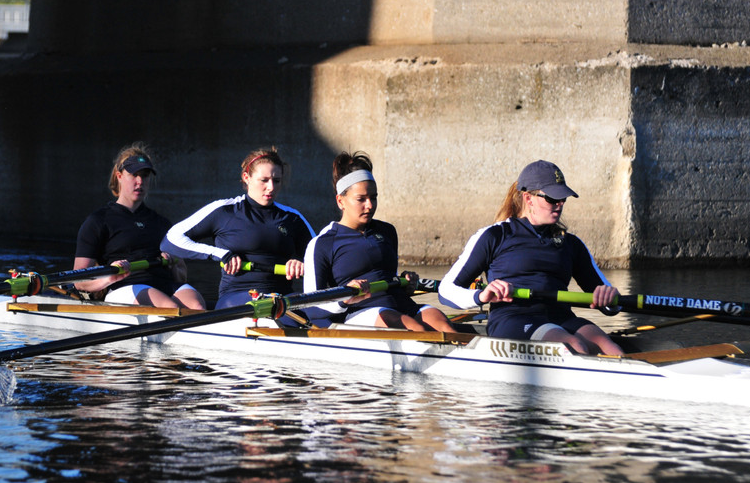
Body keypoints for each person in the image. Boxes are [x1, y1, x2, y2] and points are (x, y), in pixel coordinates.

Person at [438, 160, 624, 355]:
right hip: (513, 319)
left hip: (561, 317)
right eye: (552, 198)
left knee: (613, 350)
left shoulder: (571, 244)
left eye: (563, 199)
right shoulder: (495, 236)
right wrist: (481, 296)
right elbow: (446, 290)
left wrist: (610, 298)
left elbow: (613, 306)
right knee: (574, 346)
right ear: (528, 198)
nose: (559, 204)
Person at [303, 151, 457, 332]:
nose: (370, 205)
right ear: (340, 201)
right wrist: (345, 297)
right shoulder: (323, 243)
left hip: (399, 303)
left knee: (440, 321)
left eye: (373, 197)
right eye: (361, 199)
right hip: (360, 311)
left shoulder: (387, 231)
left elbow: (388, 278)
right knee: (413, 327)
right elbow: (310, 305)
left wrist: (406, 284)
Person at [161, 147, 315, 308]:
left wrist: (301, 262)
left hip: (282, 298)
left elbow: (321, 255)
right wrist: (220, 254)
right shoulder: (224, 211)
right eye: (264, 180)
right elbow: (170, 240)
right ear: (246, 177)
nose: (271, 187)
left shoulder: (292, 217)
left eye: (276, 181)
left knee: (313, 309)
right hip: (236, 297)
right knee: (272, 308)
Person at [73, 143, 205, 309]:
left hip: (162, 284)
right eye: (134, 175)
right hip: (124, 286)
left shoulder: (161, 223)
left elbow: (180, 278)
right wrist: (109, 278)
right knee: (170, 308)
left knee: (197, 307)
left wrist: (175, 265)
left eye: (145, 175)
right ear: (119, 175)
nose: (140, 181)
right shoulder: (98, 221)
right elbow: (79, 281)